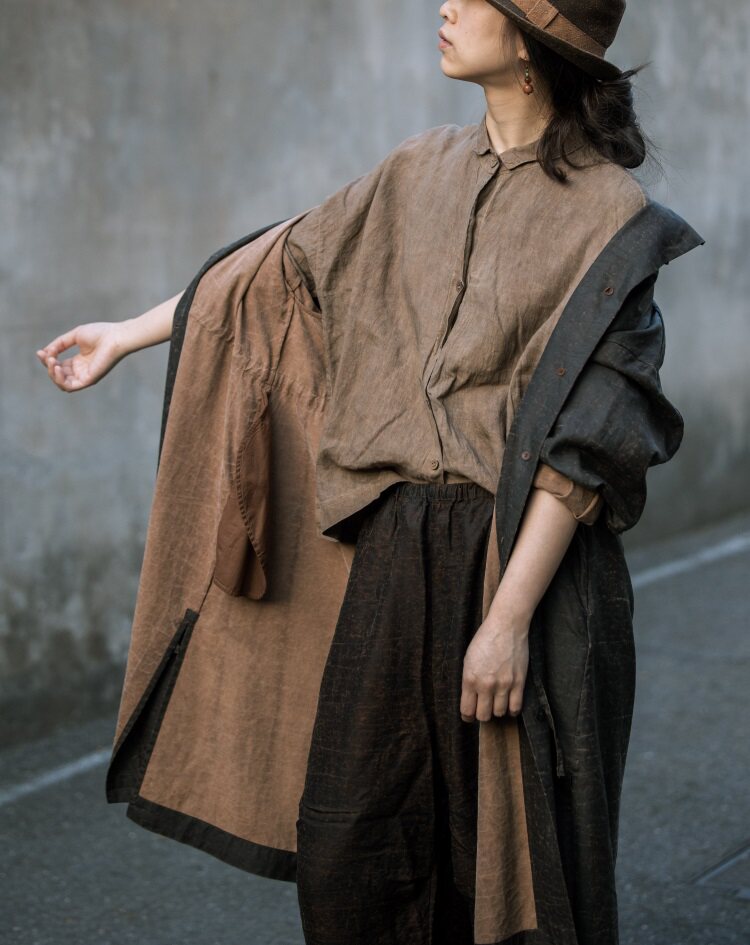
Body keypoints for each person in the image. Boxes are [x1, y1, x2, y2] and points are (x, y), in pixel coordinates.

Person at [36, 3, 704, 944]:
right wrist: (126, 333)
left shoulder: (612, 218)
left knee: (509, 868)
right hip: (391, 564)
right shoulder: (414, 169)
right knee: (353, 847)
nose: (446, 7)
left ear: (530, 41)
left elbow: (587, 447)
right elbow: (273, 271)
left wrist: (506, 624)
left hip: (526, 573)